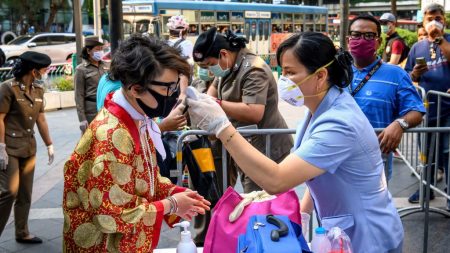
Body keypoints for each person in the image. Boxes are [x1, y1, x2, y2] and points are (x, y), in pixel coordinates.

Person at [186, 32, 404, 253]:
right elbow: (317, 167)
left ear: (320, 76)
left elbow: (277, 180)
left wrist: (222, 128)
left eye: (290, 73)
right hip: (343, 232)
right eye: (282, 71)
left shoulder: (340, 123)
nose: (283, 80)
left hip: (368, 237)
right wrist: (304, 213)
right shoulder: (319, 110)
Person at [62, 35, 210, 252]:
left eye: (176, 85)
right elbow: (111, 215)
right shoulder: (112, 137)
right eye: (167, 88)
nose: (174, 95)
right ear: (135, 88)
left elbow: (146, 178)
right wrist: (172, 204)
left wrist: (175, 193)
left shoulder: (137, 118)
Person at [193, 27, 293, 193]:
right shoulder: (227, 66)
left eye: (210, 65)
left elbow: (253, 112)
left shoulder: (254, 69)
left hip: (266, 148)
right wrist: (205, 101)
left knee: (258, 200)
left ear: (223, 54)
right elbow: (213, 91)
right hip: (247, 144)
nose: (210, 70)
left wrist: (215, 103)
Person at [347, 14, 425, 182]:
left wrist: (400, 124)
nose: (362, 40)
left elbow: (416, 111)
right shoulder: (334, 73)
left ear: (379, 42)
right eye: (356, 35)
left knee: (372, 207)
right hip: (335, 158)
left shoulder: (396, 74)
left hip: (375, 164)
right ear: (348, 40)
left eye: (369, 36)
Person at [0, 51, 54, 243]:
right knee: (9, 191)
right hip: (9, 148)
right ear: (33, 71)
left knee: (25, 192)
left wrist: (49, 144)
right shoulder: (8, 88)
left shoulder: (38, 90)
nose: (47, 72)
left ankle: (22, 232)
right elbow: (0, 118)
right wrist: (1, 146)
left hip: (28, 147)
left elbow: (40, 118)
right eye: (44, 69)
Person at [405, 3, 450, 207]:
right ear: (423, 21)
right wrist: (414, 74)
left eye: (438, 18)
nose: (434, 22)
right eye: (430, 18)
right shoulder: (417, 47)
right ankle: (427, 187)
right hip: (427, 109)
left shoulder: (447, 41)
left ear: (445, 21)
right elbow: (408, 76)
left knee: (448, 152)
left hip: (448, 107)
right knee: (427, 152)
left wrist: (439, 39)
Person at [74, 36, 107, 133]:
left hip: (106, 109)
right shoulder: (81, 70)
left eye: (101, 49)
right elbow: (78, 96)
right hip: (91, 112)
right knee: (91, 142)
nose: (100, 52)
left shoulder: (105, 66)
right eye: (97, 49)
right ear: (88, 51)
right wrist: (82, 119)